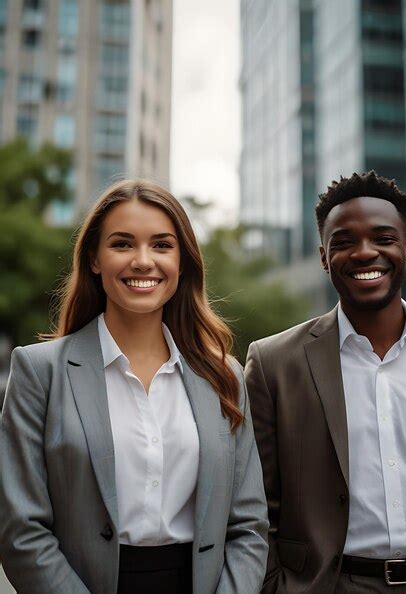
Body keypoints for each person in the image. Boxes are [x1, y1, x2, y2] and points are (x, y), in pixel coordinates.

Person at [0, 179, 268, 594]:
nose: (143, 261)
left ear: (182, 261)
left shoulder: (225, 376)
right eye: (122, 244)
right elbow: (20, 528)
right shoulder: (40, 372)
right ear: (94, 258)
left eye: (162, 245)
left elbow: (248, 527)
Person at [245, 171, 406, 593]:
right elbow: (255, 506)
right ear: (324, 257)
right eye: (344, 242)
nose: (365, 253)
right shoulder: (273, 364)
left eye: (383, 238)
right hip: (331, 585)